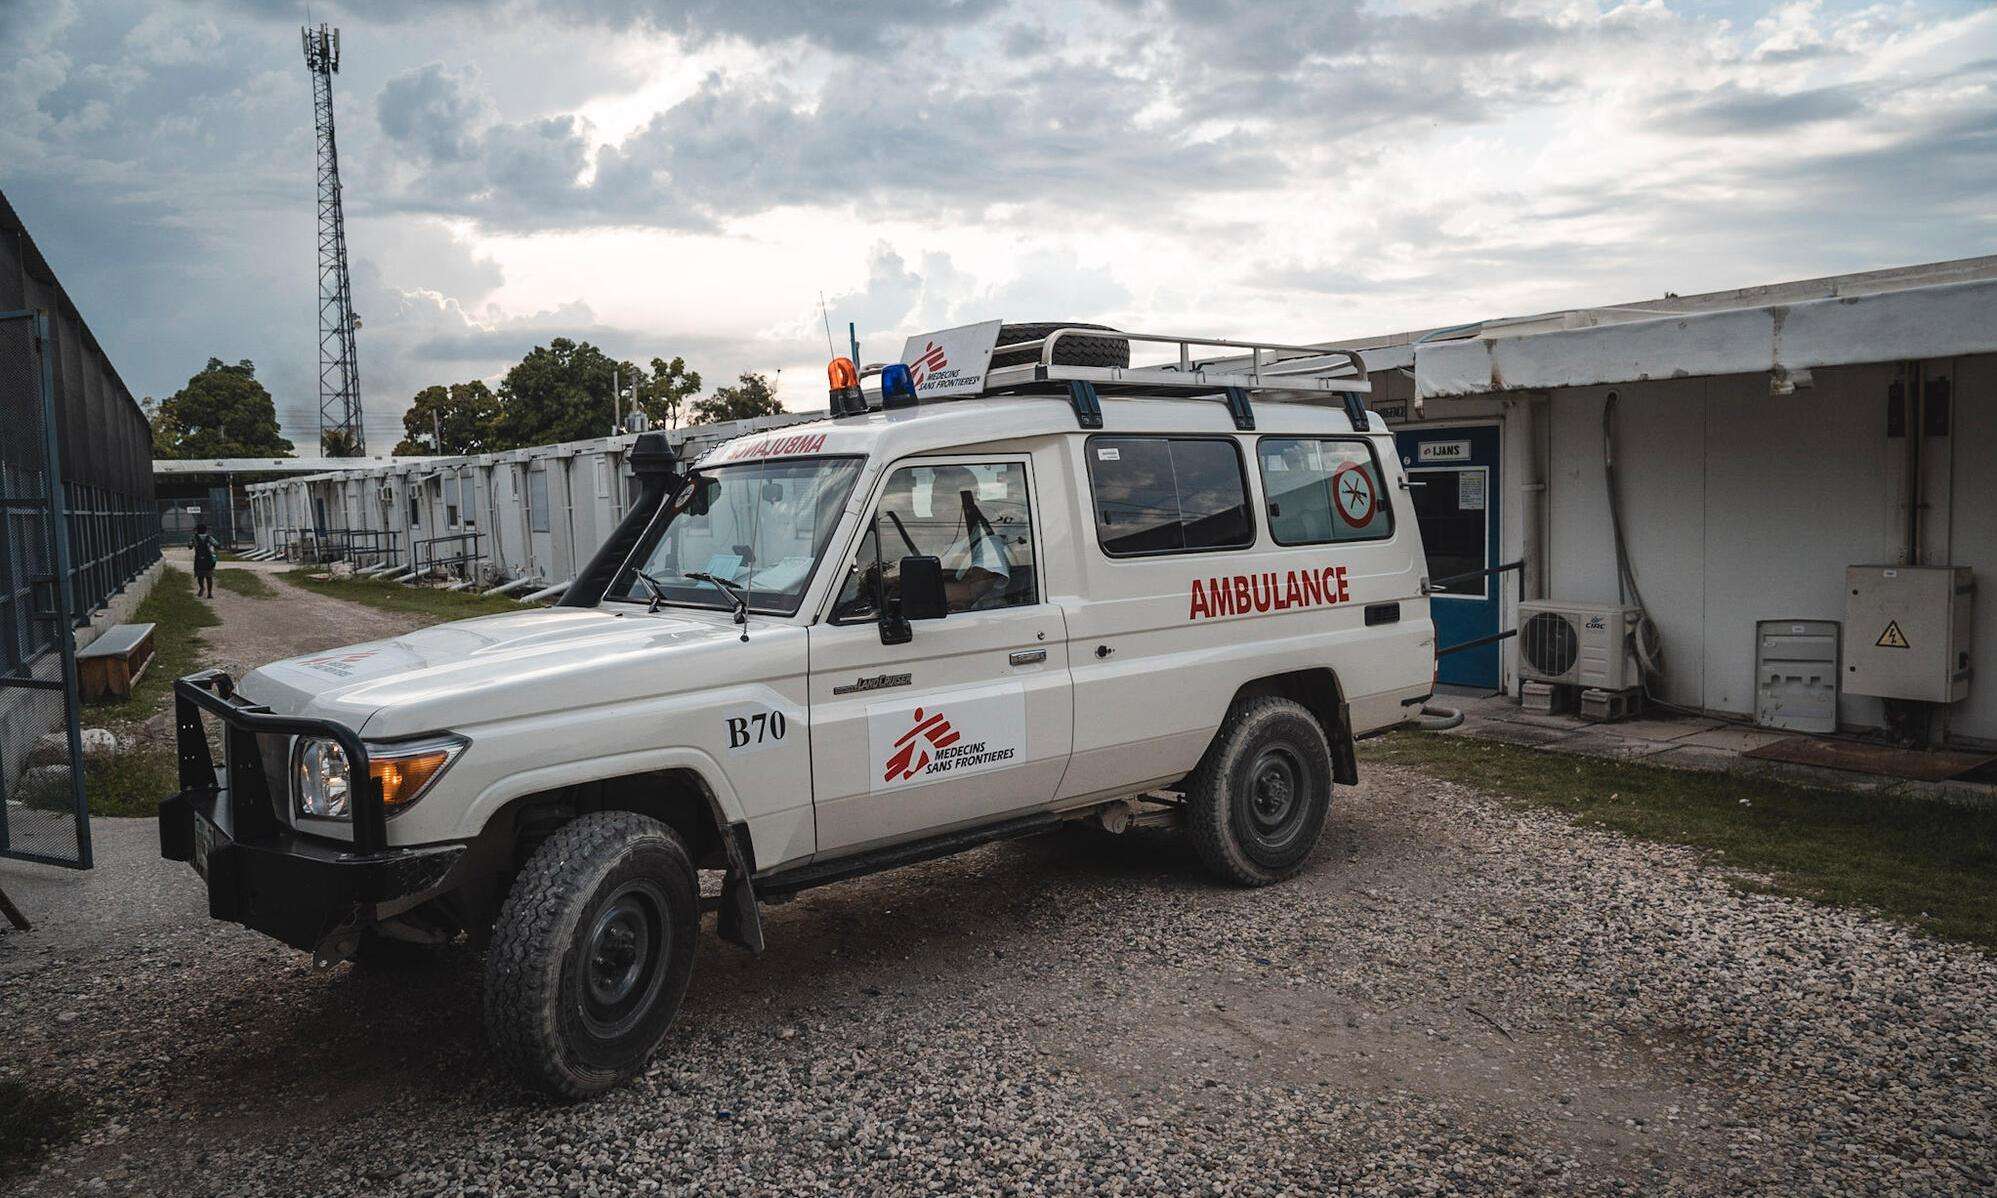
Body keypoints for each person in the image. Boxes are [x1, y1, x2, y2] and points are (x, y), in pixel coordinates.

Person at [191, 522, 218, 597]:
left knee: (200, 576)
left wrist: (193, 535)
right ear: (206, 530)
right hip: (208, 559)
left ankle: (202, 588)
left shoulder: (194, 538)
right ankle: (209, 593)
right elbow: (217, 544)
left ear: (197, 530)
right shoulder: (209, 537)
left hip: (198, 559)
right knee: (209, 577)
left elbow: (190, 546)